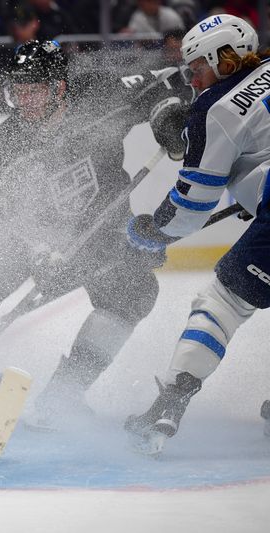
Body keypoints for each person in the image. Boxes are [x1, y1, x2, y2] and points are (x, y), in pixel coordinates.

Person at [0, 40, 192, 427]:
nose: (25, 100)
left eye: (33, 90)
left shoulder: (100, 94)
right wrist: (38, 250)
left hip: (104, 234)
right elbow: (4, 217)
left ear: (59, 87)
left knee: (134, 293)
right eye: (18, 92)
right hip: (28, 242)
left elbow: (173, 82)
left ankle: (62, 396)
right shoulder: (5, 144)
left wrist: (166, 118)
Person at [124, 14, 270, 454]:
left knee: (223, 302)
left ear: (223, 58)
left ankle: (170, 403)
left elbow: (191, 206)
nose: (192, 78)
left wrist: (155, 229)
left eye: (197, 67)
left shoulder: (216, 108)